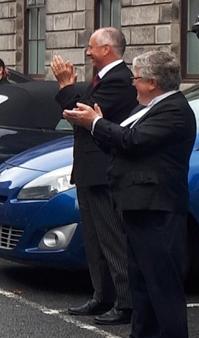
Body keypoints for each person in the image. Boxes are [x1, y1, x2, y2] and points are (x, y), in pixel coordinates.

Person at [62, 51, 195, 338]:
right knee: (142, 283)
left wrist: (95, 123)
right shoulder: (145, 108)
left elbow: (133, 141)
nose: (132, 84)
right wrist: (98, 125)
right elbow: (119, 142)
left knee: (162, 285)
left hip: (157, 208)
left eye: (137, 78)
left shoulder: (174, 110)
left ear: (152, 82)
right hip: (136, 206)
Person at [51, 27, 138, 325]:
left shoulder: (120, 81)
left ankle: (125, 303)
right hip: (88, 170)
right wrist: (72, 94)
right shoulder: (101, 80)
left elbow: (80, 113)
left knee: (112, 238)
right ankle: (102, 296)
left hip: (104, 171)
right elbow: (79, 116)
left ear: (106, 49)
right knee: (94, 240)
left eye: (91, 48)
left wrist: (65, 85)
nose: (87, 53)